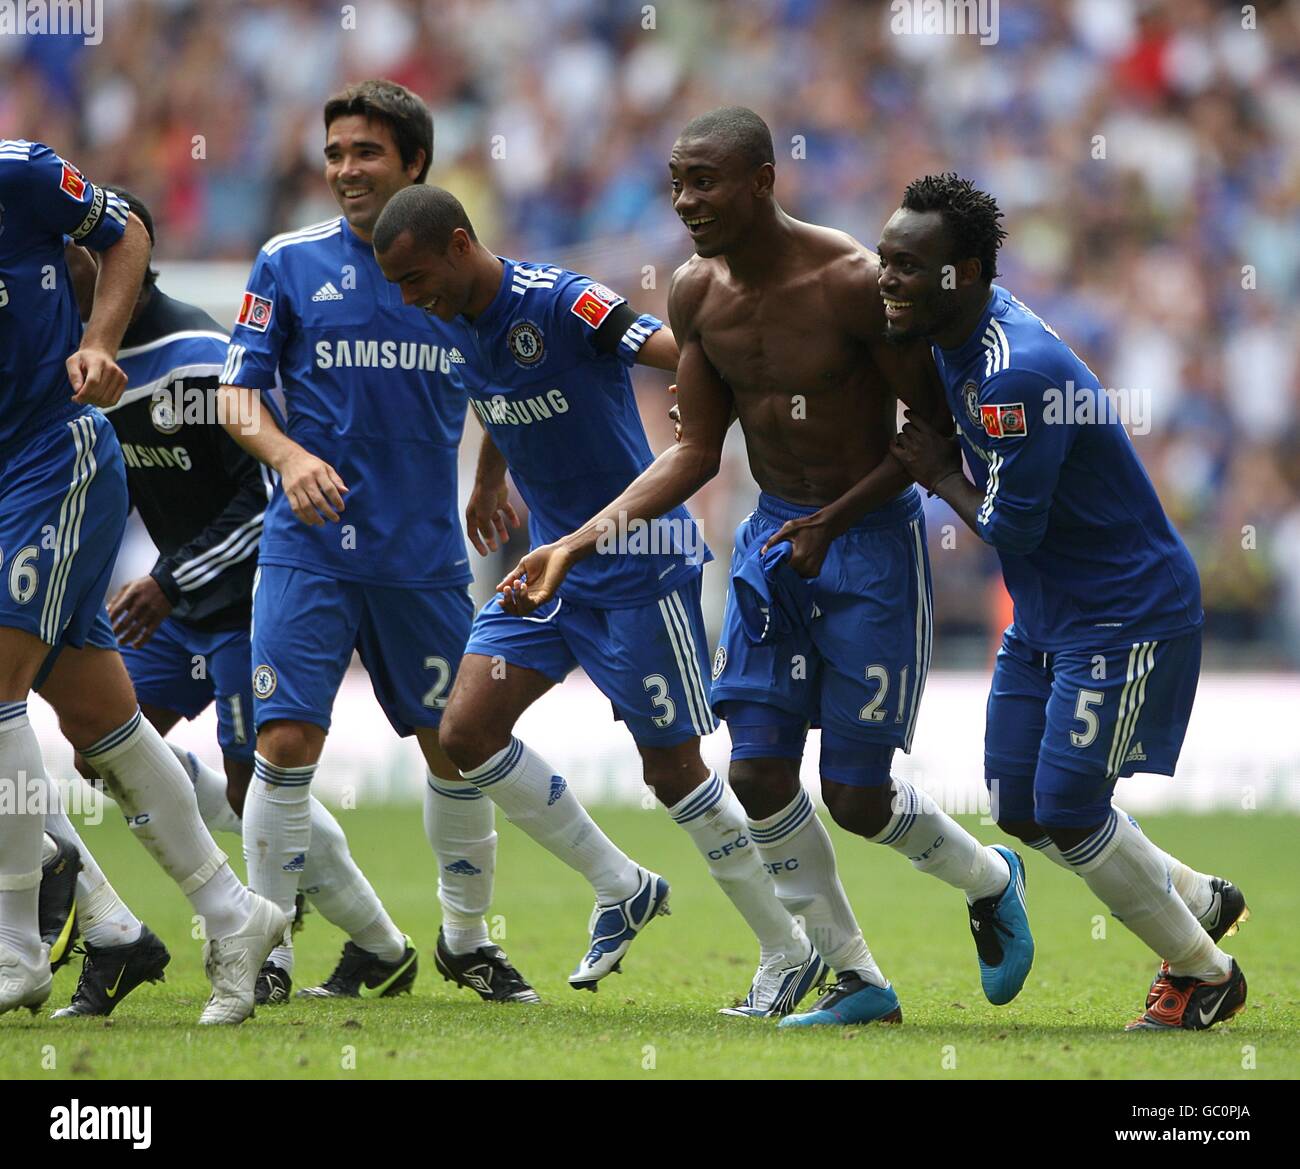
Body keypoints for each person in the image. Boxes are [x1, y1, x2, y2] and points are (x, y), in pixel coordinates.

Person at [490, 108, 1035, 1027]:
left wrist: (836, 517)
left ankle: (987, 877)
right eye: (677, 181)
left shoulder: (855, 283)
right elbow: (695, 451)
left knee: (857, 795)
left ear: (761, 181)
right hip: (776, 544)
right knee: (756, 774)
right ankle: (855, 976)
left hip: (868, 545)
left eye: (705, 181)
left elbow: (929, 432)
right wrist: (576, 541)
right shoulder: (696, 295)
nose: (686, 201)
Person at [371, 183, 827, 1015]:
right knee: (465, 729)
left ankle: (789, 949)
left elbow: (670, 346)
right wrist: (488, 480)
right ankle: (621, 883)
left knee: (674, 768)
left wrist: (716, 397)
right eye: (397, 285)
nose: (410, 297)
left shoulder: (563, 301)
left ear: (462, 244)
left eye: (414, 276)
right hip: (552, 569)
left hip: (640, 567)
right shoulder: (458, 326)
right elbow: (503, 404)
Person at [885, 173, 1248, 1031]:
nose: (887, 278)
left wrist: (938, 474)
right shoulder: (949, 330)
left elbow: (1011, 525)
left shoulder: (1017, 373)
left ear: (964, 272)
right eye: (884, 258)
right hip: (1052, 613)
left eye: (908, 264)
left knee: (1072, 807)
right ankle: (1196, 897)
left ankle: (1206, 974)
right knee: (1018, 802)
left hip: (1124, 611)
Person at [218, 81, 537, 1003]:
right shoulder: (284, 263)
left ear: (415, 166)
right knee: (283, 742)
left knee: (456, 746)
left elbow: (517, 371)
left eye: (366, 153)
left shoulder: (463, 268)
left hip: (423, 556)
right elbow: (238, 392)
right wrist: (286, 455)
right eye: (336, 153)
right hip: (308, 548)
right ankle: (265, 955)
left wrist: (489, 476)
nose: (346, 170)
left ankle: (466, 941)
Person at [0, 138, 284, 1024]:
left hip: (57, 455)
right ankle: (226, 914)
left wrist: (96, 340)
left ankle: (13, 948)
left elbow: (123, 232)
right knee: (100, 723)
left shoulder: (21, 170)